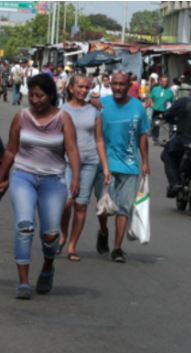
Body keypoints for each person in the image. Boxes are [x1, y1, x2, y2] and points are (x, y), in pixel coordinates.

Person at [0, 73, 80, 299]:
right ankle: (23, 282)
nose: (35, 100)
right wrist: (2, 176)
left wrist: (75, 178)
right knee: (24, 226)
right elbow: (10, 150)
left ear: (51, 95)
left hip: (53, 180)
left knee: (50, 234)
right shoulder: (21, 116)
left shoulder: (63, 119)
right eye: (32, 95)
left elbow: (72, 149)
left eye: (40, 95)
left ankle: (47, 266)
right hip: (24, 176)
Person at [95, 71, 150, 263]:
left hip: (129, 165)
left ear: (129, 86)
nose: (118, 88)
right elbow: (96, 136)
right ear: (110, 84)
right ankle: (103, 231)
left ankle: (117, 248)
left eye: (122, 84)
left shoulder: (138, 107)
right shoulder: (102, 105)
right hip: (105, 164)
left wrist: (145, 161)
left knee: (123, 208)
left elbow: (143, 134)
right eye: (115, 84)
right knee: (103, 208)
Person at [58, 74, 102, 262]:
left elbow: (99, 140)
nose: (84, 91)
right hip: (67, 163)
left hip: (90, 161)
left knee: (81, 205)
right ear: (71, 88)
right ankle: (62, 234)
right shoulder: (61, 111)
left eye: (87, 87)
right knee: (66, 202)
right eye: (80, 87)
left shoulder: (94, 111)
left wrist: (105, 167)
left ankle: (72, 245)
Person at [148, 76, 175, 143]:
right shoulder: (155, 89)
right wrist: (151, 103)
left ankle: (164, 139)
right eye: (163, 81)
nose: (165, 83)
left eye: (166, 81)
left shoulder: (170, 91)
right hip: (156, 110)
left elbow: (173, 101)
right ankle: (155, 137)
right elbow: (150, 97)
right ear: (160, 82)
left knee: (165, 125)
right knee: (155, 124)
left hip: (165, 110)